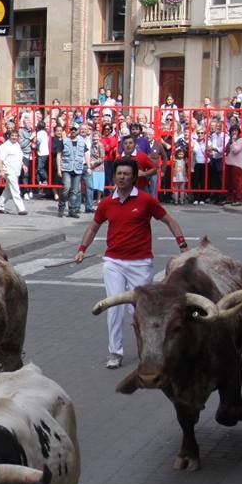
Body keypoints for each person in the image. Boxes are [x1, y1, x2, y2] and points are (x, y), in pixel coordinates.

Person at [75, 158, 191, 369]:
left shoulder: (146, 201)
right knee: (114, 306)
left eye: (126, 174)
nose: (122, 177)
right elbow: (93, 227)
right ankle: (115, 352)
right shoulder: (106, 203)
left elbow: (169, 221)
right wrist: (82, 249)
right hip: (113, 262)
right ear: (114, 176)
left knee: (139, 310)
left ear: (134, 177)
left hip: (140, 263)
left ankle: (150, 348)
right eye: (119, 174)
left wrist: (182, 244)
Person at [57, 124, 88, 219]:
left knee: (74, 191)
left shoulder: (82, 142)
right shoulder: (64, 141)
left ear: (78, 131)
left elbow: (86, 153)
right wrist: (59, 168)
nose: (73, 131)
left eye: (75, 129)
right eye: (72, 129)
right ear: (69, 130)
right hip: (66, 168)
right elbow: (59, 154)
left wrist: (89, 165)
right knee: (66, 187)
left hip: (77, 168)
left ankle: (72, 210)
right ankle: (61, 207)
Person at [0, 129, 27, 215]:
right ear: (9, 136)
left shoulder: (17, 145)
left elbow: (18, 157)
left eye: (16, 136)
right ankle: (21, 209)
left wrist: (23, 165)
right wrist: (1, 170)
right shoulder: (4, 146)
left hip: (16, 171)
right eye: (12, 136)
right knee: (16, 189)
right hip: (8, 171)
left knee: (8, 190)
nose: (14, 137)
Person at [223, 124, 242, 206]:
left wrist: (234, 141)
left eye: (235, 131)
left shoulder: (241, 140)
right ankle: (229, 198)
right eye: (232, 131)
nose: (234, 132)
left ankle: (238, 199)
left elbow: (235, 150)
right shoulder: (230, 140)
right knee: (229, 183)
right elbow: (226, 150)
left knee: (236, 183)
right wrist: (231, 142)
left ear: (238, 132)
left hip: (237, 165)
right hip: (229, 163)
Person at [87, 124, 106, 212]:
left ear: (99, 138)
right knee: (92, 184)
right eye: (94, 138)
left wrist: (94, 162)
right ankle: (92, 200)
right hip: (92, 166)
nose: (95, 139)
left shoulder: (100, 146)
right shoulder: (91, 145)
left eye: (96, 138)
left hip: (99, 167)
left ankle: (98, 200)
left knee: (99, 185)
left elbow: (102, 158)